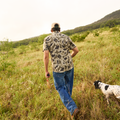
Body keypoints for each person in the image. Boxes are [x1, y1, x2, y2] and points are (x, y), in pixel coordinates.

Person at [43, 23, 79, 119]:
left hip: (57, 69)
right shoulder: (66, 37)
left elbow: (46, 56)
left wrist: (46, 71)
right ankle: (70, 103)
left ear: (51, 30)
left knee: (60, 88)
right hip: (69, 66)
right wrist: (69, 57)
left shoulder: (47, 39)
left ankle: (72, 107)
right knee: (68, 85)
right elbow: (76, 50)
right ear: (60, 29)